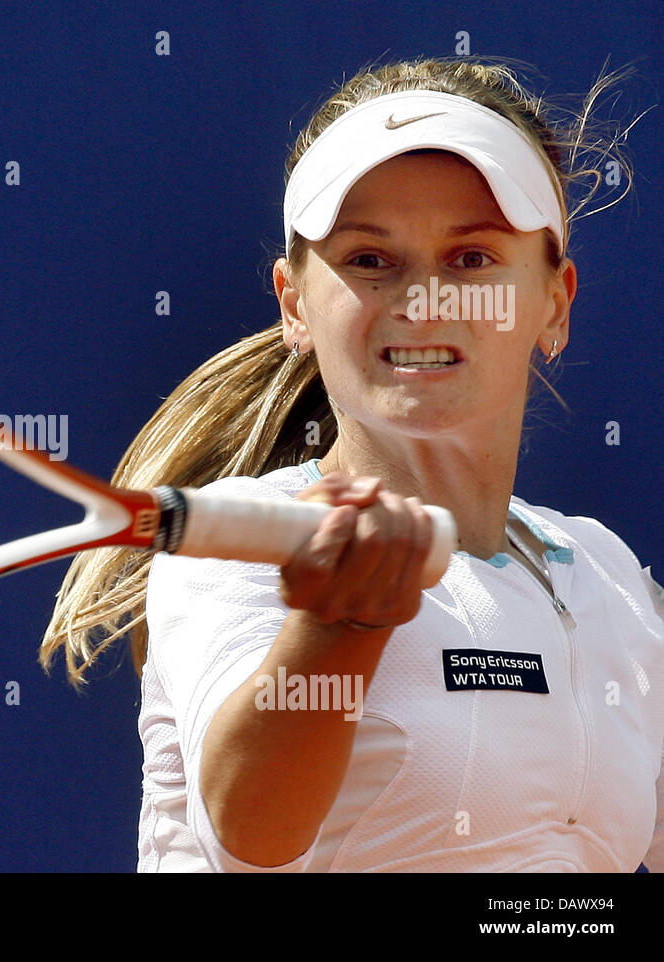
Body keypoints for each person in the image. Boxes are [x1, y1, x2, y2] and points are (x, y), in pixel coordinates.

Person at [41, 57, 664, 872]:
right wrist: (342, 626)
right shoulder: (242, 548)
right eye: (371, 260)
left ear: (555, 302)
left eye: (472, 259)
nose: (423, 301)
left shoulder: (606, 573)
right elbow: (252, 839)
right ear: (294, 303)